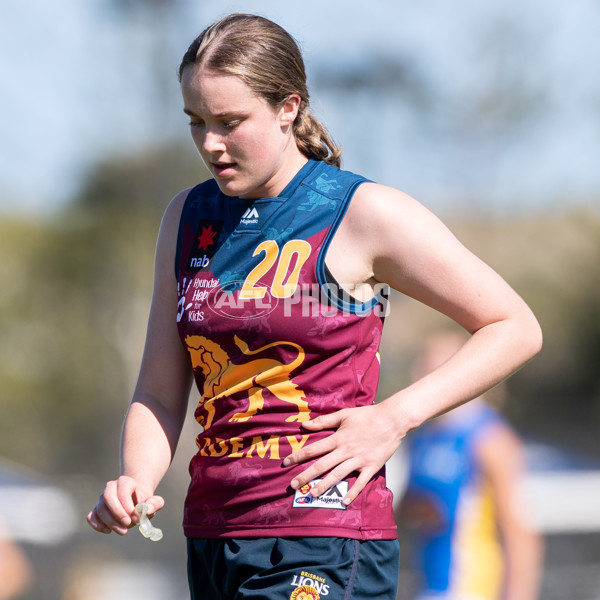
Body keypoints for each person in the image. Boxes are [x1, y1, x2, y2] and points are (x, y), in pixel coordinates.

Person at [86, 13, 543, 600]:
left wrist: (394, 417)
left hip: (325, 532)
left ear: (288, 108)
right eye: (195, 122)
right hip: (213, 529)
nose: (209, 143)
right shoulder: (186, 218)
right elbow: (158, 389)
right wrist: (135, 479)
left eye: (230, 122)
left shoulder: (360, 212)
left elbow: (513, 326)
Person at [397, 330, 544, 600]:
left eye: (428, 364)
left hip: (473, 590)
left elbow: (520, 535)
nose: (416, 373)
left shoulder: (491, 439)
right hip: (427, 588)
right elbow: (404, 512)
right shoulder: (421, 439)